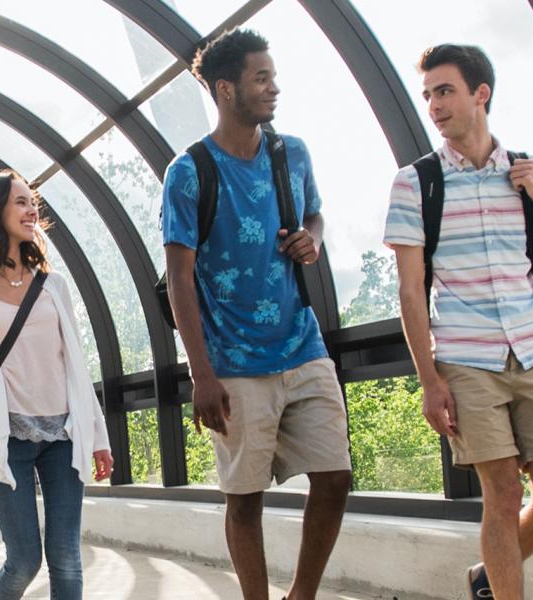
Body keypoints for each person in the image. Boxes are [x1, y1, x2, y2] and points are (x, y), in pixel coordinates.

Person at [384, 44, 533, 600]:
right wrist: (429, 380)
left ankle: (486, 578)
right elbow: (409, 291)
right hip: (466, 358)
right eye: (427, 95)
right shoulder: (416, 184)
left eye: (444, 91)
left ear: (481, 93)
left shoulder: (526, 170)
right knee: (500, 494)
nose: (433, 105)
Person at [161, 28, 351, 600]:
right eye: (260, 78)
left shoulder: (290, 152)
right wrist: (202, 374)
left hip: (302, 342)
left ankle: (301, 596)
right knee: (245, 499)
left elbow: (313, 216)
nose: (274, 88)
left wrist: (310, 240)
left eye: (273, 76)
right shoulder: (189, 171)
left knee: (336, 477)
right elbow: (179, 276)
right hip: (233, 362)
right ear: (225, 89)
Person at [0, 170, 114, 600]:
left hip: (63, 433)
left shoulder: (53, 284)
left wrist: (98, 436)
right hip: (5, 438)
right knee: (23, 559)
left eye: (31, 200)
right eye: (19, 202)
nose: (31, 209)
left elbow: (76, 364)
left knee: (67, 557)